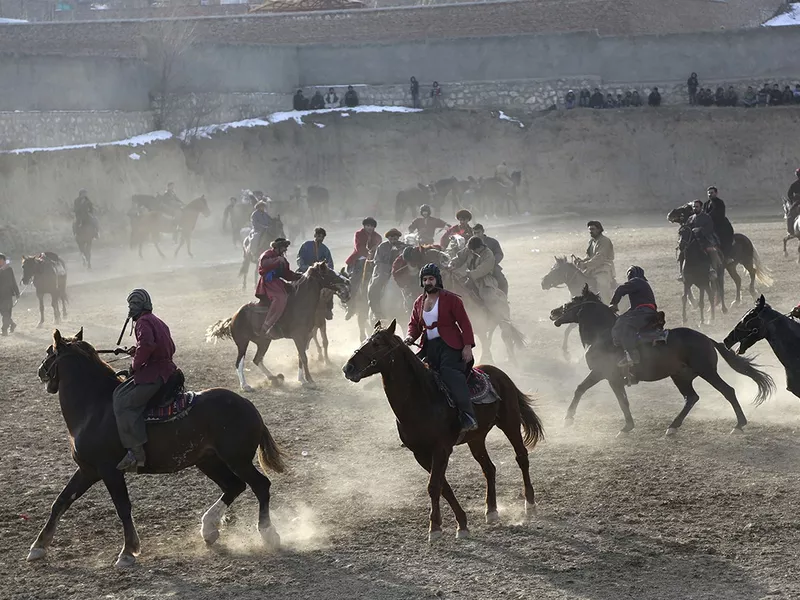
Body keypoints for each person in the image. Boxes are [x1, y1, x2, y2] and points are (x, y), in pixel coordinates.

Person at [404, 263, 477, 434]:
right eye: (425, 279)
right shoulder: (419, 302)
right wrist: (409, 337)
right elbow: (414, 325)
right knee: (414, 376)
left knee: (448, 373)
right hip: (428, 347)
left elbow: (464, 323)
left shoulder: (451, 299)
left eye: (431, 278)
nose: (428, 282)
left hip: (450, 346)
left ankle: (468, 415)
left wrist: (467, 346)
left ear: (437, 280)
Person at [113, 289, 177, 471]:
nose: (130, 308)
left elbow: (147, 345)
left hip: (154, 374)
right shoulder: (157, 321)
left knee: (122, 401)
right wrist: (138, 350)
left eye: (131, 305)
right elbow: (166, 346)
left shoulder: (142, 322)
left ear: (136, 307)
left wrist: (134, 364)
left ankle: (136, 453)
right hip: (167, 369)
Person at [610, 266, 657, 369]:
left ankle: (632, 355)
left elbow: (621, 289)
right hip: (647, 311)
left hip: (644, 311)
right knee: (623, 318)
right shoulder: (643, 284)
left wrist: (614, 304)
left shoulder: (636, 281)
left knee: (623, 324)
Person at [256, 238, 302, 338]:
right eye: (284, 247)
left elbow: (286, 274)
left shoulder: (282, 258)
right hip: (268, 282)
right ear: (278, 247)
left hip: (278, 282)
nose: (285, 249)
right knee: (280, 298)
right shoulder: (267, 254)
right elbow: (263, 264)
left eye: (286, 247)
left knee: (293, 293)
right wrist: (277, 260)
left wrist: (298, 276)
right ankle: (267, 325)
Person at [368, 228, 407, 319]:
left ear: (398, 237)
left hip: (400, 272)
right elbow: (377, 261)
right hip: (383, 272)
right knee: (374, 287)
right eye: (391, 236)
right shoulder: (382, 247)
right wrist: (388, 269)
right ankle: (376, 311)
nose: (393, 238)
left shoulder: (404, 247)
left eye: (395, 236)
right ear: (388, 237)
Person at [574, 220, 616, 302]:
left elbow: (600, 257)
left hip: (603, 268)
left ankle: (607, 304)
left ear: (599, 229)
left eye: (593, 229)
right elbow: (589, 256)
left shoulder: (604, 241)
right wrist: (581, 261)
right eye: (589, 229)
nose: (590, 231)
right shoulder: (591, 241)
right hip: (591, 269)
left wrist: (585, 264)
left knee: (602, 284)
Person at [680, 199, 722, 279]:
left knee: (711, 251)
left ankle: (712, 269)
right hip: (692, 239)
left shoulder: (706, 217)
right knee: (683, 252)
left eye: (697, 207)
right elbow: (687, 228)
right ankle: (682, 273)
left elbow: (710, 228)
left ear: (701, 207)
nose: (695, 208)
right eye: (694, 207)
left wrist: (700, 229)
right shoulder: (690, 218)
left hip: (705, 239)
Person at [472, 223, 508, 296]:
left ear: (483, 231)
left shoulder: (492, 242)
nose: (476, 235)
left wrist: (491, 263)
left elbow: (499, 254)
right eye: (474, 233)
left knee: (502, 281)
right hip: (475, 268)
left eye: (478, 232)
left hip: (492, 267)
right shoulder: (471, 242)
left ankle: (503, 298)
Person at [704, 186, 734, 261]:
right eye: (709, 193)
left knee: (724, 239)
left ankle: (727, 256)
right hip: (710, 226)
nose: (710, 194)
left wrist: (707, 217)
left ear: (716, 193)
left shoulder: (720, 203)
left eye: (712, 193)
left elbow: (718, 214)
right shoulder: (706, 204)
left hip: (721, 226)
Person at [0, 254, 19, 336]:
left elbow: (13, 281)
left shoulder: (9, 269)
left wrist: (17, 292)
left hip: (7, 295)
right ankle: (12, 324)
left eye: (1, 260)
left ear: (4, 260)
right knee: (4, 313)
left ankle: (4, 330)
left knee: (5, 312)